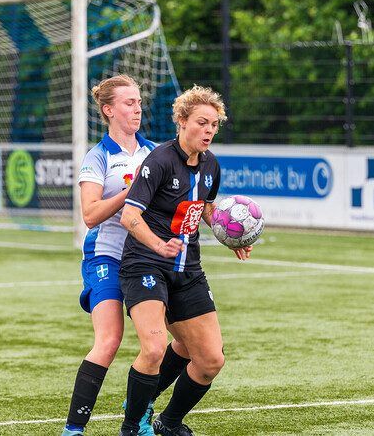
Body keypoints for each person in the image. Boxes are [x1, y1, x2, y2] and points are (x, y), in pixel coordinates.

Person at [118, 86, 252, 436]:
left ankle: (169, 421)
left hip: (187, 270)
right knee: (153, 349)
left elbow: (205, 208)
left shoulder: (211, 165)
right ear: (182, 121)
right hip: (145, 264)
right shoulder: (160, 161)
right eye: (202, 123)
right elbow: (129, 217)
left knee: (210, 360)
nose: (209, 131)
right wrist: (158, 245)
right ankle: (132, 426)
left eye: (214, 125)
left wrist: (231, 236)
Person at [62, 75, 188, 436]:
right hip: (106, 256)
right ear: (108, 110)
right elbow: (90, 215)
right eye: (129, 102)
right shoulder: (98, 157)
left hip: (148, 259)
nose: (137, 108)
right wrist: (131, 193)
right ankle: (74, 429)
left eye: (138, 101)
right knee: (109, 340)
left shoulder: (155, 152)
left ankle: (140, 407)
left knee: (182, 341)